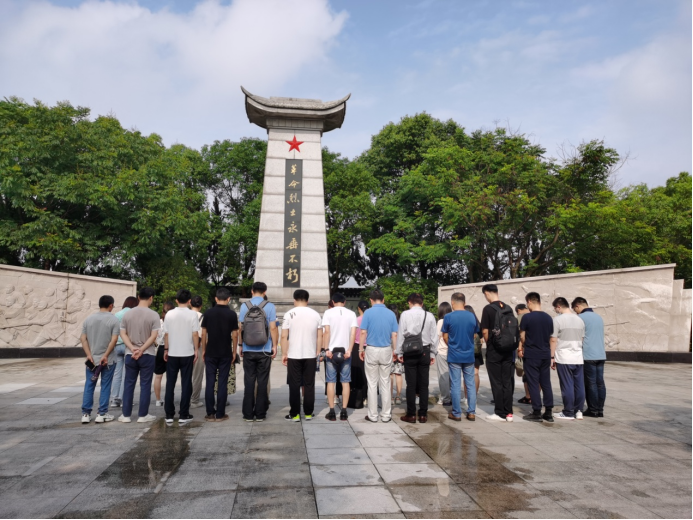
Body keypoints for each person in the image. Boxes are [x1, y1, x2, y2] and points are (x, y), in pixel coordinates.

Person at [119, 287, 160, 424]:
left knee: (128, 384)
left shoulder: (127, 314)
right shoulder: (154, 315)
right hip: (147, 354)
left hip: (130, 354)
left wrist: (132, 348)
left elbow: (123, 333)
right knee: (145, 384)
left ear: (138, 297)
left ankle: (126, 415)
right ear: (151, 298)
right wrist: (141, 349)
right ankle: (143, 415)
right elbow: (153, 336)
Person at [239, 282, 278, 422]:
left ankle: (248, 414)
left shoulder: (244, 306)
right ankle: (260, 414)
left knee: (249, 381)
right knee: (262, 381)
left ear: (252, 291)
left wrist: (240, 345)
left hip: (248, 348)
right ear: (265, 292)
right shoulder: (270, 306)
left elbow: (240, 327)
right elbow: (273, 328)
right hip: (264, 349)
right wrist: (274, 345)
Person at [282, 290, 323, 422]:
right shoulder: (315, 314)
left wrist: (284, 353)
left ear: (294, 300)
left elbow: (284, 336)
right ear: (307, 300)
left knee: (294, 385)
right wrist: (318, 351)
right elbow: (320, 335)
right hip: (310, 354)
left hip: (293, 354)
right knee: (309, 384)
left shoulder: (289, 314)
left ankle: (295, 414)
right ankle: (309, 413)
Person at [396, 293, 438, 424]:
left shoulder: (405, 314)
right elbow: (434, 336)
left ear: (410, 302)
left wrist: (399, 352)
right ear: (422, 303)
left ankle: (411, 414)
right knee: (424, 384)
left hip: (409, 351)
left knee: (411, 384)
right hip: (425, 351)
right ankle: (423, 414)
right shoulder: (429, 315)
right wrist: (433, 353)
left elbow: (401, 335)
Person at [359, 290, 399, 423]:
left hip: (371, 349)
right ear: (383, 299)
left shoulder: (368, 313)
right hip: (386, 349)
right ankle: (386, 415)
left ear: (371, 300)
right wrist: (395, 350)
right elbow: (394, 334)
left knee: (372, 383)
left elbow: (363, 332)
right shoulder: (391, 314)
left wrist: (360, 349)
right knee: (385, 382)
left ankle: (373, 415)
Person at [80, 295, 120, 424]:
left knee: (89, 384)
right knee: (106, 385)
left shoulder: (88, 319)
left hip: (92, 360)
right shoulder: (114, 320)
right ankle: (102, 413)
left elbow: (83, 338)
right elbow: (114, 340)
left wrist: (88, 354)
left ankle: (85, 414)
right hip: (108, 360)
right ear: (111, 305)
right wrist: (106, 355)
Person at [162, 290, 200, 425]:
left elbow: (166, 334)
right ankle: (184, 414)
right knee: (186, 383)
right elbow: (195, 334)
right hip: (187, 353)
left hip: (172, 352)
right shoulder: (192, 314)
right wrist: (196, 349)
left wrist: (166, 349)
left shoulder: (169, 314)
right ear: (189, 301)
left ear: (176, 300)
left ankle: (169, 415)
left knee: (170, 384)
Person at [201, 288, 239, 422]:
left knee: (210, 382)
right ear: (229, 299)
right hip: (225, 352)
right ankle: (220, 414)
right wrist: (234, 352)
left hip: (211, 351)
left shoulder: (208, 313)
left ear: (216, 298)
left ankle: (210, 413)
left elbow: (204, 334)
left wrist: (204, 350)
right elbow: (235, 335)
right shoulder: (232, 314)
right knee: (222, 382)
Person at [480, 285, 517, 422]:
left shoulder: (488, 309)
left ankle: (500, 412)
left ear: (487, 293)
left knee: (496, 381)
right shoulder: (508, 308)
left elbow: (485, 330)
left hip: (494, 350)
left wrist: (490, 343)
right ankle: (509, 413)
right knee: (507, 381)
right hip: (509, 349)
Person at [443, 294, 480, 422]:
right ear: (464, 302)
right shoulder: (471, 316)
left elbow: (445, 336)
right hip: (469, 354)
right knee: (470, 384)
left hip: (454, 355)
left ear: (452, 302)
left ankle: (456, 413)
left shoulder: (448, 317)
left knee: (455, 384)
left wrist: (452, 345)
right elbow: (475, 334)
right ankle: (471, 412)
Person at [519, 292, 555, 423]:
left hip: (532, 354)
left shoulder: (527, 317)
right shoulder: (548, 318)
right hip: (545, 354)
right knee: (546, 382)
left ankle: (537, 411)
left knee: (533, 382)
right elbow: (550, 336)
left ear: (529, 301)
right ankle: (549, 412)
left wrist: (523, 345)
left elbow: (522, 336)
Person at [323, 293, 358, 421]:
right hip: (345, 352)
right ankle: (344, 411)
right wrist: (350, 350)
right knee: (345, 381)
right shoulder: (351, 314)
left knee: (331, 381)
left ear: (332, 302)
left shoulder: (328, 313)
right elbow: (353, 333)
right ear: (345, 301)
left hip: (331, 352)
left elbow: (327, 332)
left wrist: (326, 349)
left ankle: (332, 411)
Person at [552, 297, 586, 421]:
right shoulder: (580, 320)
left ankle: (568, 412)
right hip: (578, 356)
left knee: (567, 384)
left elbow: (553, 339)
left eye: (555, 309)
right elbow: (582, 339)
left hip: (564, 356)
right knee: (579, 385)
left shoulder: (557, 320)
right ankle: (579, 411)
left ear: (559, 306)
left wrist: (551, 356)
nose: (556, 311)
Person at [572, 297, 607, 418]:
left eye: (575, 309)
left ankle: (593, 410)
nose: (576, 312)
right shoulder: (599, 317)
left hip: (588, 355)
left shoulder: (580, 318)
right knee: (600, 383)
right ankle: (600, 409)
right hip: (601, 354)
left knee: (590, 383)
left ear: (578, 306)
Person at [109, 296, 139, 409]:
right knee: (127, 373)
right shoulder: (133, 314)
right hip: (128, 345)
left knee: (117, 373)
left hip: (116, 346)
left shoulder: (117, 314)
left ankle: (114, 399)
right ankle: (124, 399)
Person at [348, 300, 370, 409]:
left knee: (357, 373)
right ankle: (367, 396)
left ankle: (358, 396)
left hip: (357, 347)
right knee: (368, 373)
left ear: (359, 309)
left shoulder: (356, 320)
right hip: (369, 346)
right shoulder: (370, 319)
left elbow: (351, 335)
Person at [154, 301, 175, 407]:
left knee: (158, 376)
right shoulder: (174, 322)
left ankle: (158, 400)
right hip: (171, 349)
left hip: (159, 349)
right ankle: (169, 398)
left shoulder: (158, 322)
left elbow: (153, 336)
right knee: (170, 376)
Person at [190, 296, 206, 409]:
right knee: (197, 375)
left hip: (184, 347)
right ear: (201, 306)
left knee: (186, 375)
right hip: (198, 347)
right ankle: (194, 400)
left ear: (190, 304)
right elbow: (203, 335)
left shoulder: (185, 315)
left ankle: (186, 397)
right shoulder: (203, 317)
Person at [436, 302, 453, 406]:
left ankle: (445, 398)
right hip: (452, 351)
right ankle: (452, 395)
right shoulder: (452, 320)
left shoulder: (440, 322)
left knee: (443, 376)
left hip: (442, 351)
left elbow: (438, 337)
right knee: (452, 375)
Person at [464, 305, 483, 397]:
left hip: (466, 350)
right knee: (475, 373)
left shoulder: (465, 323)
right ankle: (474, 395)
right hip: (477, 351)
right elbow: (481, 340)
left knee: (466, 373)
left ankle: (467, 396)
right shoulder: (478, 323)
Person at [515, 304, 532, 405]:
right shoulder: (537, 316)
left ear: (518, 310)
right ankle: (535, 395)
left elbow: (520, 335)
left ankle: (528, 396)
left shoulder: (519, 318)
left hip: (526, 348)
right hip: (540, 349)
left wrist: (520, 348)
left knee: (526, 373)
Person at [388, 304, 404, 405]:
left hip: (388, 348)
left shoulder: (387, 321)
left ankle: (390, 397)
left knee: (390, 374)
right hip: (399, 348)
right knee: (398, 373)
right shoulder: (400, 322)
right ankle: (398, 396)